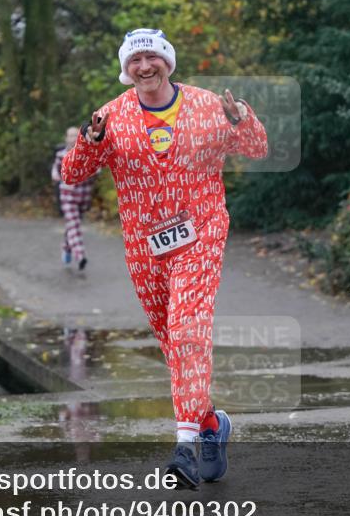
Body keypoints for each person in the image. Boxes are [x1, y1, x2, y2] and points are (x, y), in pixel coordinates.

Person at [61, 28, 267, 488]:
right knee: (175, 344)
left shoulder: (206, 104)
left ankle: (184, 447)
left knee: (188, 330)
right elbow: (71, 174)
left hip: (201, 231)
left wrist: (242, 120)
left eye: (152, 57)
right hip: (144, 244)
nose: (145, 66)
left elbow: (257, 148)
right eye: (135, 61)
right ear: (126, 68)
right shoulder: (110, 117)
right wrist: (91, 141)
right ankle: (212, 424)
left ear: (168, 62)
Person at [51, 126, 94, 270]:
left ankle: (67, 247)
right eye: (70, 135)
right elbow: (56, 172)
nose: (73, 138)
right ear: (66, 138)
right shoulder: (60, 155)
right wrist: (57, 177)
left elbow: (96, 170)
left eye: (76, 135)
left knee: (73, 226)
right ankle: (80, 256)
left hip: (83, 197)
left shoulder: (88, 154)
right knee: (74, 226)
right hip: (67, 196)